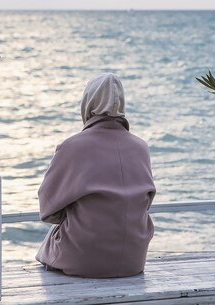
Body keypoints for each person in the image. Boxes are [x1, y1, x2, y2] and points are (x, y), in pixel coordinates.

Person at [35, 72, 156, 278]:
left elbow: (47, 210)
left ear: (87, 103)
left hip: (84, 260)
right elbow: (144, 203)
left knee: (51, 240)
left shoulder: (72, 147)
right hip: (134, 261)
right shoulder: (141, 147)